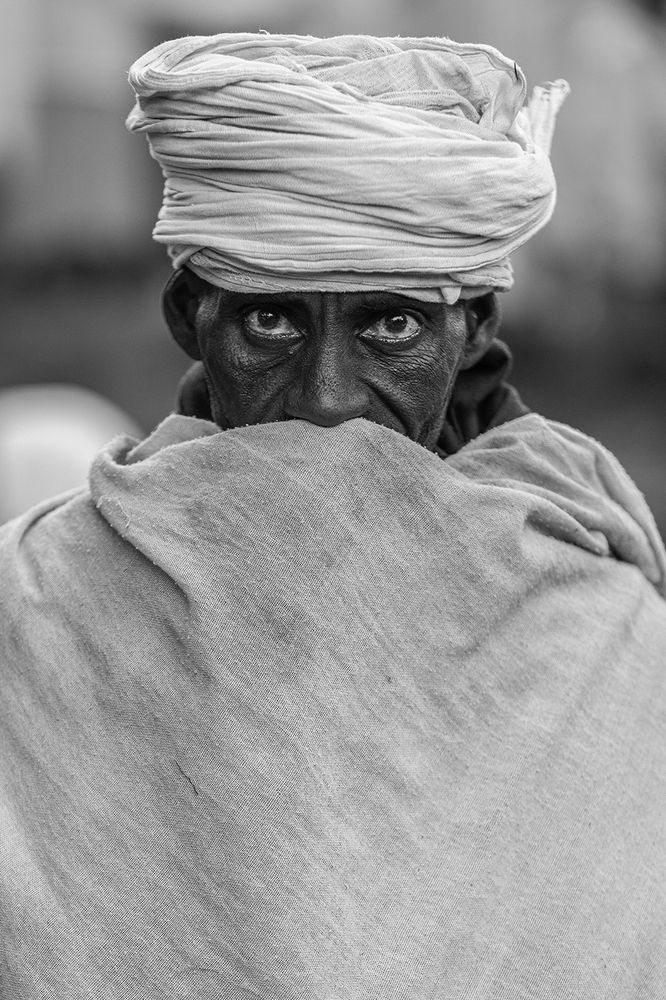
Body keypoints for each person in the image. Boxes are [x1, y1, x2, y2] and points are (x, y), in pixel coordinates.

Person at [1, 33, 664, 1000]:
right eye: (271, 321)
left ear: (472, 326)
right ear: (190, 315)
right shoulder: (29, 620)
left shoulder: (608, 644)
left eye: (391, 325)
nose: (326, 402)